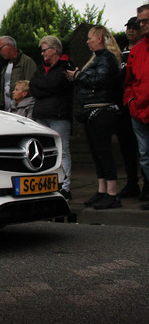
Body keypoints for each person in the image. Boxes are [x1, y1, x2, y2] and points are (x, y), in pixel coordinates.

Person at [67, 25, 122, 209]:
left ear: (99, 39)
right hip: (92, 111)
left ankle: (112, 193)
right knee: (96, 153)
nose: (87, 41)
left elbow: (100, 81)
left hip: (102, 111)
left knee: (104, 152)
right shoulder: (97, 59)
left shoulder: (106, 59)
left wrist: (78, 75)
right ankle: (102, 190)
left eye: (90, 38)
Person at [29, 35, 74, 200]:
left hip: (59, 115)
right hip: (41, 115)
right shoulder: (41, 68)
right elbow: (33, 87)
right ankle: (47, 185)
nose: (42, 53)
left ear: (54, 50)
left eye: (44, 50)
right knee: (44, 152)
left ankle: (65, 187)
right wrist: (47, 87)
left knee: (63, 151)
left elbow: (57, 84)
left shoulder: (66, 66)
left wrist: (45, 87)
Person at [117, 16, 148, 200]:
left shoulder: (141, 51)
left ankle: (146, 185)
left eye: (134, 28)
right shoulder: (121, 51)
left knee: (143, 149)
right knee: (126, 147)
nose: (131, 31)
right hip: (125, 105)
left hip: (139, 105)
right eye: (128, 27)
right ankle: (131, 183)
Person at [123, 4, 149, 210]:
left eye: (145, 21)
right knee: (145, 155)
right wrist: (130, 102)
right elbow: (129, 82)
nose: (142, 25)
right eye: (141, 22)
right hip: (137, 112)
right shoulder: (137, 50)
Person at [0, 36, 37, 110]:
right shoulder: (5, 65)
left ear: (8, 45)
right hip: (8, 109)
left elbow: (31, 86)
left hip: (23, 109)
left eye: (0, 49)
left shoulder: (26, 61)